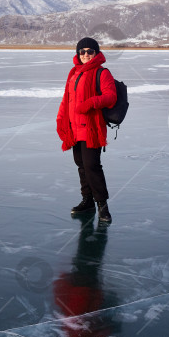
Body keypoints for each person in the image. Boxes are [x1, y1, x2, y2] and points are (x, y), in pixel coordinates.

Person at [56, 37, 117, 223]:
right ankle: (87, 201)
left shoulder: (102, 73)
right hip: (74, 128)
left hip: (91, 128)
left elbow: (110, 97)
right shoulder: (74, 73)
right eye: (82, 52)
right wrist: (60, 120)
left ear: (96, 53)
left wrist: (90, 103)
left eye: (90, 51)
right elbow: (66, 99)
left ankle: (103, 206)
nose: (85, 55)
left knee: (92, 167)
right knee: (81, 166)